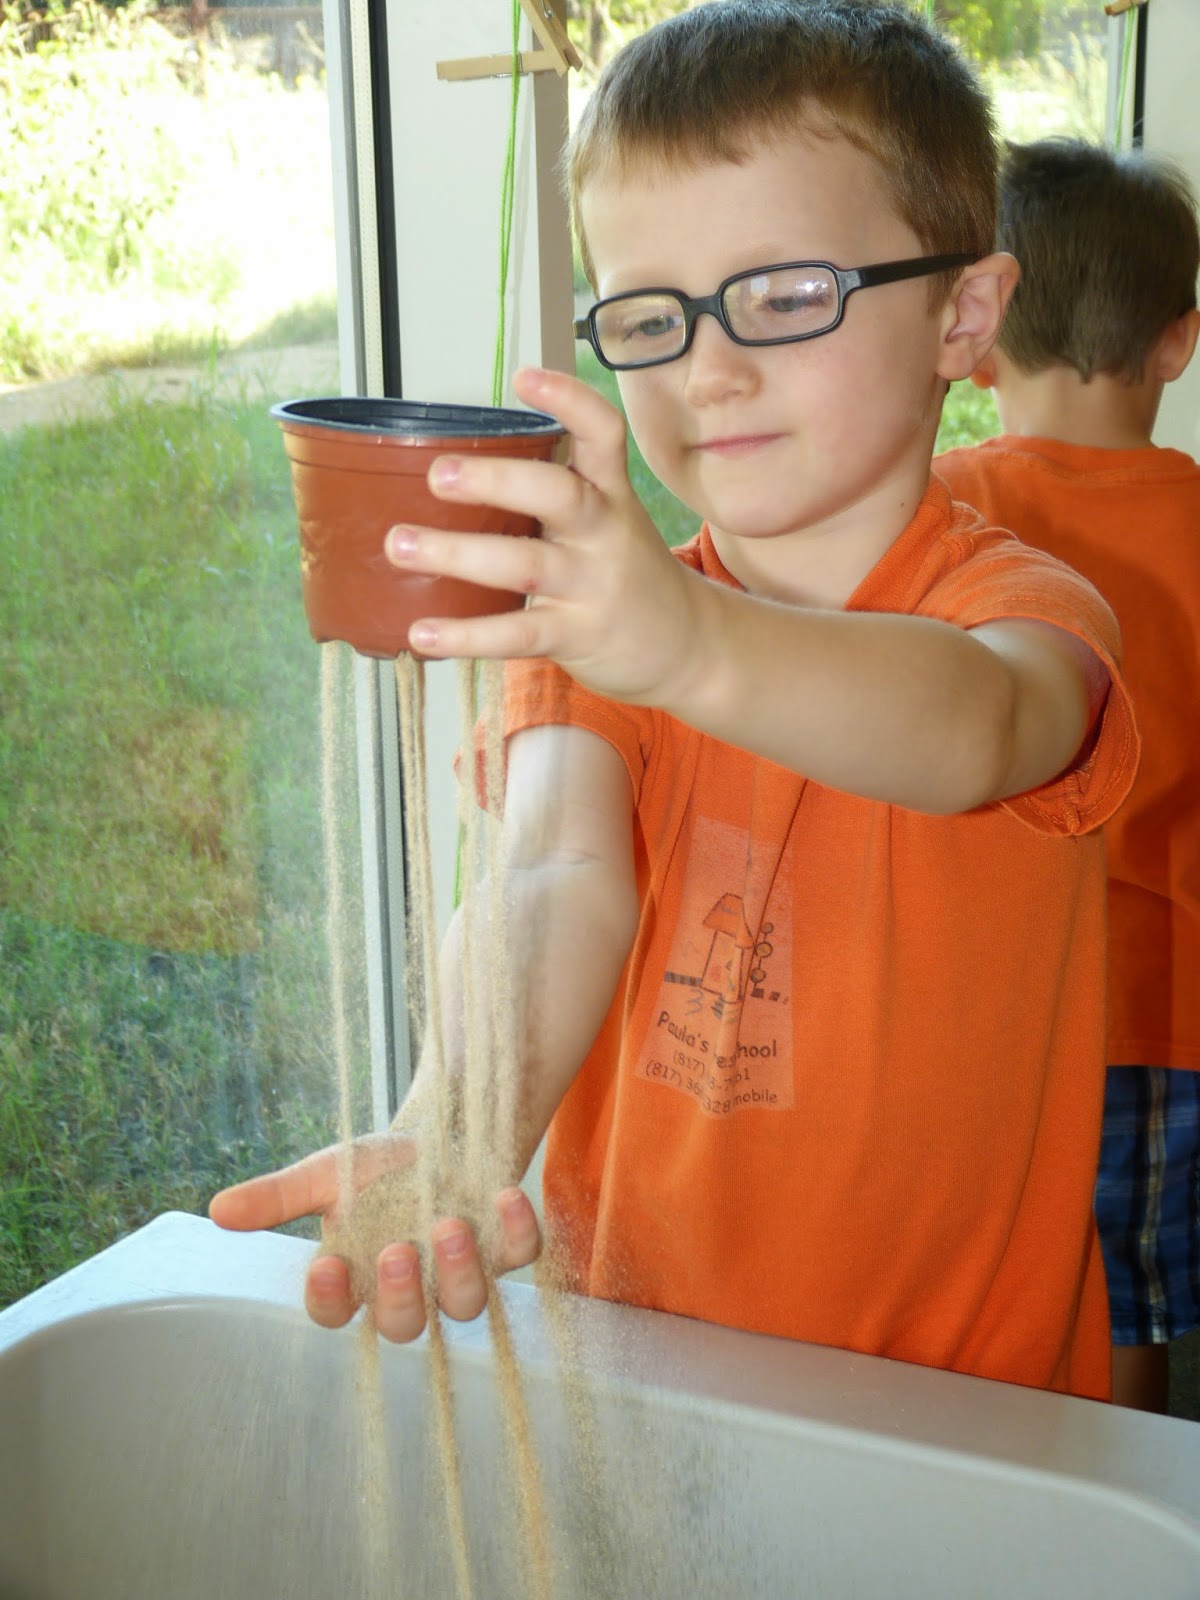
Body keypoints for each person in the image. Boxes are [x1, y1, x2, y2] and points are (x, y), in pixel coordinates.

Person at [212, 0, 1139, 1400]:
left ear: (964, 316)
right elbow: (549, 873)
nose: (709, 368)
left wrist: (684, 641)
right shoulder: (604, 631)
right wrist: (459, 1122)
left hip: (965, 1421)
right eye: (649, 316)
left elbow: (979, 729)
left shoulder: (1022, 615)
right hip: (639, 1386)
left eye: (785, 295)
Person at [936, 136, 1200, 1413]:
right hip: (1167, 1008)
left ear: (977, 339)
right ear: (1179, 342)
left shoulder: (945, 513)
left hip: (1004, 996)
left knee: (1000, 1271)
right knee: (1135, 1296)